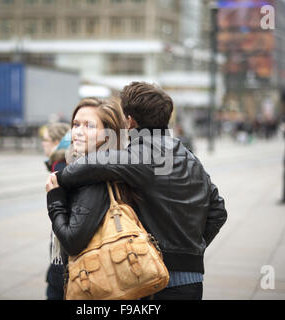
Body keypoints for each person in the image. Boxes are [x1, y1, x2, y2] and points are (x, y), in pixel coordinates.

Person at [47, 82, 228, 300]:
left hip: (154, 280)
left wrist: (58, 180)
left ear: (130, 120)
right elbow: (218, 211)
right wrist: (191, 251)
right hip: (192, 282)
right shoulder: (188, 157)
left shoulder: (141, 153)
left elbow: (93, 165)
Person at [45, 98, 139, 299]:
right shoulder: (89, 168)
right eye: (76, 124)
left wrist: (55, 199)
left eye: (89, 126)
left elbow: (72, 241)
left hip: (94, 284)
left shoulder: (95, 178)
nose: (78, 131)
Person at [41, 122, 71, 300]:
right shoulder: (59, 165)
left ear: (56, 142)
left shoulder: (60, 168)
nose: (42, 144)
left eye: (45, 140)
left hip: (63, 256)